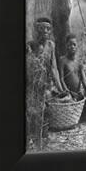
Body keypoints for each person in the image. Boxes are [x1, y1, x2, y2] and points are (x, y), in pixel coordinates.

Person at [26, 18, 66, 148]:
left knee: (45, 112)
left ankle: (42, 141)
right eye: (42, 28)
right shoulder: (30, 46)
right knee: (31, 112)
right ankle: (30, 140)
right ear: (36, 30)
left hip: (45, 85)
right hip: (32, 86)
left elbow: (54, 68)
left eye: (48, 28)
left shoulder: (51, 45)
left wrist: (60, 89)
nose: (45, 31)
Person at [59, 34, 86, 98]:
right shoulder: (63, 60)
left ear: (77, 46)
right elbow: (61, 79)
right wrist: (67, 92)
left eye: (74, 44)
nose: (72, 47)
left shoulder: (79, 60)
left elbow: (83, 77)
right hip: (68, 94)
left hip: (78, 93)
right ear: (66, 46)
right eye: (70, 45)